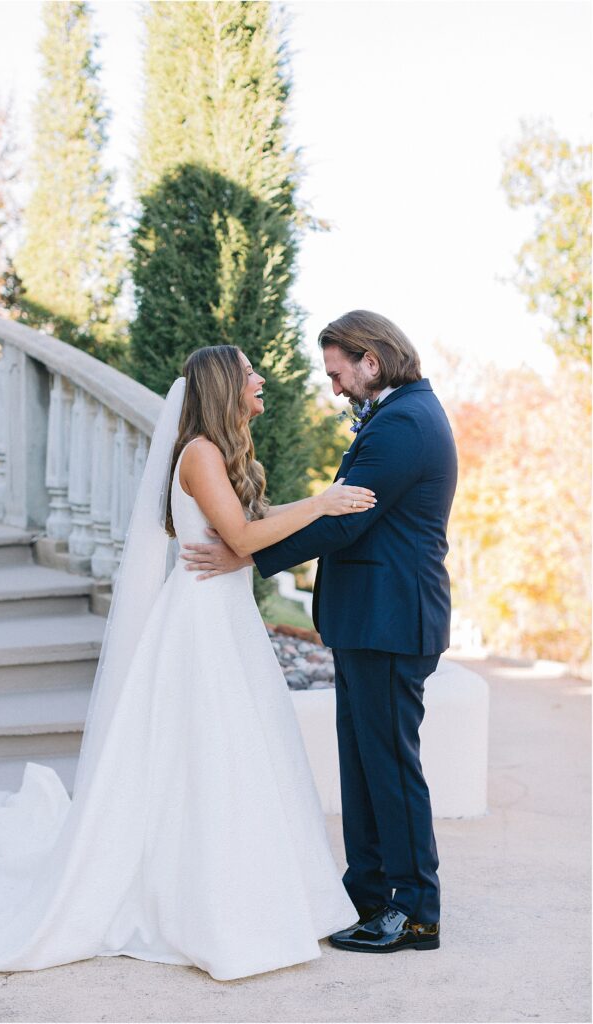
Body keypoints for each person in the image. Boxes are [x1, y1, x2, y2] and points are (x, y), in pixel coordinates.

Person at [0, 344, 378, 981]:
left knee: (242, 752)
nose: (260, 379)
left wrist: (256, 543)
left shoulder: (222, 452)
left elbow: (246, 530)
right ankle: (210, 910)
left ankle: (269, 896)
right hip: (200, 623)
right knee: (211, 753)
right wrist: (322, 503)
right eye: (249, 374)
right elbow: (242, 537)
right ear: (222, 387)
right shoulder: (200, 454)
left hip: (226, 615)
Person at [181, 311, 458, 954]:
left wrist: (245, 553)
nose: (333, 388)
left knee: (388, 767)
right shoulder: (397, 416)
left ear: (371, 360)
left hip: (393, 620)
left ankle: (416, 912)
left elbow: (344, 521)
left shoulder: (406, 424)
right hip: (370, 621)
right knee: (363, 765)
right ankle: (365, 895)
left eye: (337, 373)